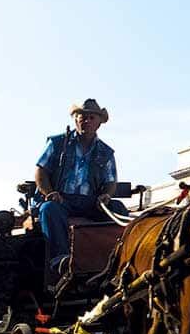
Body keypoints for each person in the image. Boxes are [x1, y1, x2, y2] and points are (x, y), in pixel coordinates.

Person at [34, 99, 128, 274]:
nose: (87, 121)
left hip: (91, 203)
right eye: (82, 117)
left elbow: (110, 181)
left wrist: (106, 195)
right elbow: (41, 171)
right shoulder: (57, 143)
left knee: (118, 209)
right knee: (48, 209)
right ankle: (60, 260)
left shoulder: (106, 152)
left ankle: (116, 257)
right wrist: (50, 193)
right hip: (62, 200)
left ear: (99, 123)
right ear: (75, 119)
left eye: (92, 117)